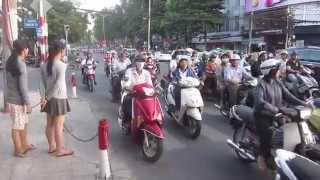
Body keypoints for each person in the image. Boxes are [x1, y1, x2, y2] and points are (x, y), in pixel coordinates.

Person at [254, 58, 306, 170]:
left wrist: (303, 103)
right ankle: (264, 157)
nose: (279, 71)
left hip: (277, 113)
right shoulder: (261, 84)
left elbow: (288, 95)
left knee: (290, 126)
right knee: (266, 138)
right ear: (271, 71)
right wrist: (276, 110)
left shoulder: (278, 81)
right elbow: (260, 102)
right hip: (263, 116)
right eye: (277, 69)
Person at [40, 40, 73, 157]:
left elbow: (42, 84)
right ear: (61, 51)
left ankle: (51, 147)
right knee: (59, 126)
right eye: (64, 49)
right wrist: (47, 98)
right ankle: (60, 150)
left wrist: (44, 98)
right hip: (58, 98)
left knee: (49, 124)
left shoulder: (44, 65)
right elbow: (58, 85)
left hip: (48, 99)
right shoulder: (61, 65)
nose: (65, 51)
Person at [6, 40, 35, 158]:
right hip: (17, 101)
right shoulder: (20, 64)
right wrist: (28, 103)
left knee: (23, 124)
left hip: (14, 99)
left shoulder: (11, 61)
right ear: (23, 50)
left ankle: (25, 145)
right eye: (27, 48)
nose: (28, 50)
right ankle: (18, 150)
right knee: (17, 126)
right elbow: (23, 87)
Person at [120, 55, 153, 127]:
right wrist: (127, 87)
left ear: (144, 63)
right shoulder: (129, 71)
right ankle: (127, 120)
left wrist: (152, 90)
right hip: (132, 93)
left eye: (142, 61)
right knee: (127, 101)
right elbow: (127, 81)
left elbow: (150, 84)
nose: (140, 63)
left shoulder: (146, 73)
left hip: (144, 94)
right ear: (135, 62)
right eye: (138, 61)